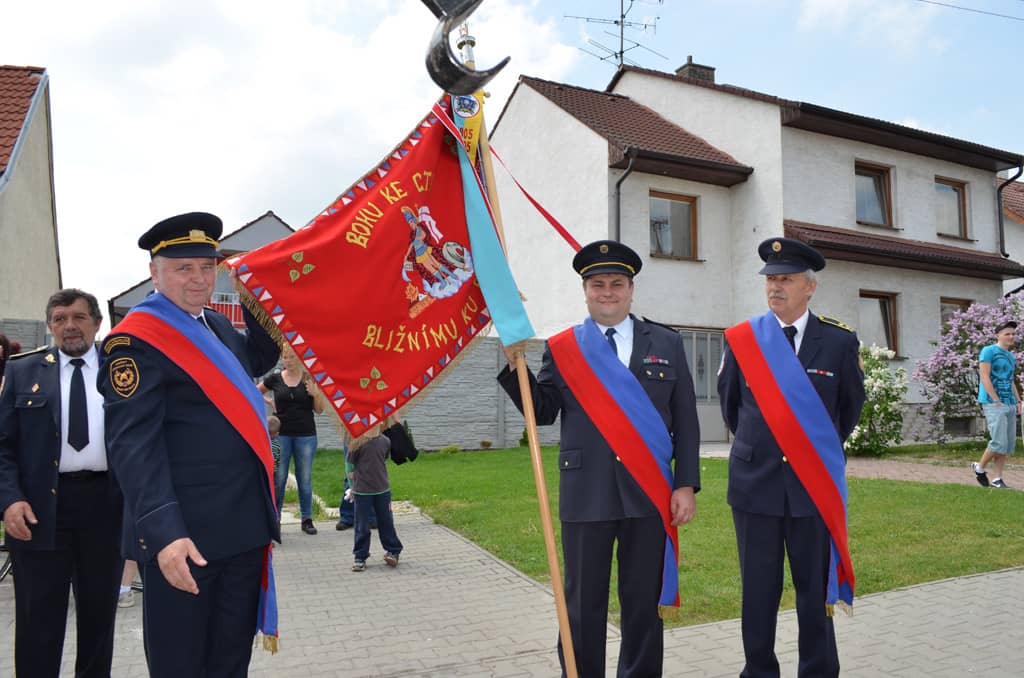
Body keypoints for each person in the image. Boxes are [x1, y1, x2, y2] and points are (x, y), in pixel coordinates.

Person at [497, 240, 701, 678]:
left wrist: (685, 483)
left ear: (631, 290)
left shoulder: (667, 342)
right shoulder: (564, 347)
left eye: (616, 284)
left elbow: (686, 419)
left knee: (643, 603)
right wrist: (515, 366)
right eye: (598, 285)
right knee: (582, 604)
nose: (607, 292)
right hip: (586, 493)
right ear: (585, 291)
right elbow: (543, 411)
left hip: (648, 492)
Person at [99, 212, 281, 676]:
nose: (199, 278)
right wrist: (164, 534)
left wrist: (253, 290)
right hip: (186, 540)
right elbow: (134, 448)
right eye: (184, 268)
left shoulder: (215, 326)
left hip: (242, 530)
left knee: (230, 663)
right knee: (181, 665)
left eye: (207, 266)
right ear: (154, 272)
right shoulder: (134, 343)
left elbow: (259, 357)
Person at [718, 237, 866, 678]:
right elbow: (731, 408)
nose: (775, 287)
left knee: (814, 591)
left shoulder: (838, 341)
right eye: (770, 279)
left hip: (812, 487)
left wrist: (809, 452)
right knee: (757, 592)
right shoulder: (742, 339)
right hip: (754, 487)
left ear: (810, 287)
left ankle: (818, 670)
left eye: (786, 279)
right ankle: (758, 671)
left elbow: (847, 411)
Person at [0, 288, 123, 677]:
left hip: (104, 507)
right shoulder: (22, 371)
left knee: (99, 618)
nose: (69, 326)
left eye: (79, 317)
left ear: (97, 324)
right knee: (38, 621)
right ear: (50, 326)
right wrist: (9, 500)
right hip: (39, 510)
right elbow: (2, 446)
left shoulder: (121, 371)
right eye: (60, 319)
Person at [259, 343, 325, 534]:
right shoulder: (275, 378)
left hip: (306, 435)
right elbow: (253, 390)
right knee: (279, 478)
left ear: (299, 358)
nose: (288, 361)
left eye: (292, 357)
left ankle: (307, 519)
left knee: (304, 478)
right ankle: (276, 519)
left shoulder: (308, 379)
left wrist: (316, 394)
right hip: (281, 435)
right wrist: (268, 401)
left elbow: (319, 410)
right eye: (285, 357)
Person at [347, 421, 403, 571]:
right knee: (362, 525)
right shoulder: (356, 442)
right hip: (362, 491)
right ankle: (360, 556)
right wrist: (352, 486)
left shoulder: (385, 441)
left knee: (386, 521)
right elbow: (349, 464)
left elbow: (382, 459)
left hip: (382, 489)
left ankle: (393, 550)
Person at [972, 320, 1020, 489]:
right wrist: (995, 398)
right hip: (994, 403)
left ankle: (997, 478)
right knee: (998, 441)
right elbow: (984, 376)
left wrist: (1018, 401)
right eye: (1007, 334)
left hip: (1009, 402)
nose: (1011, 336)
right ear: (998, 335)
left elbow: (1010, 380)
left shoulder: (1010, 356)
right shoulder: (988, 351)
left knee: (1006, 444)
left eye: (1013, 334)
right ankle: (979, 468)